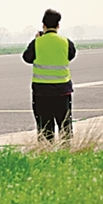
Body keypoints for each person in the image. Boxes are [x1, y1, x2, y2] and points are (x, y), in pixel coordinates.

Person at [22, 9, 76, 142]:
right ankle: (66, 153)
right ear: (58, 26)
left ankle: (47, 153)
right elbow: (71, 55)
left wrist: (38, 40)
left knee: (45, 127)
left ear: (43, 26)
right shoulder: (66, 42)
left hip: (42, 92)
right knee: (65, 126)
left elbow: (27, 58)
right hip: (62, 91)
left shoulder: (37, 43)